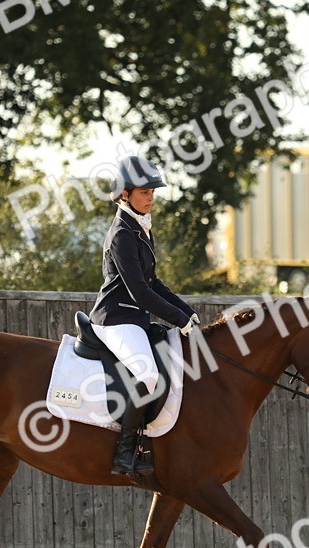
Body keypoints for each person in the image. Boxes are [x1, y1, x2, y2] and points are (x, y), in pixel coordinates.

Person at [88, 156, 200, 478]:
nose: (151, 197)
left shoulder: (139, 228)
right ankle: (124, 452)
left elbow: (155, 283)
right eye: (144, 192)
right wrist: (179, 320)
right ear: (125, 194)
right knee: (148, 376)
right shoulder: (123, 234)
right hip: (116, 319)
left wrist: (188, 312)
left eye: (153, 191)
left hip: (134, 318)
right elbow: (139, 292)